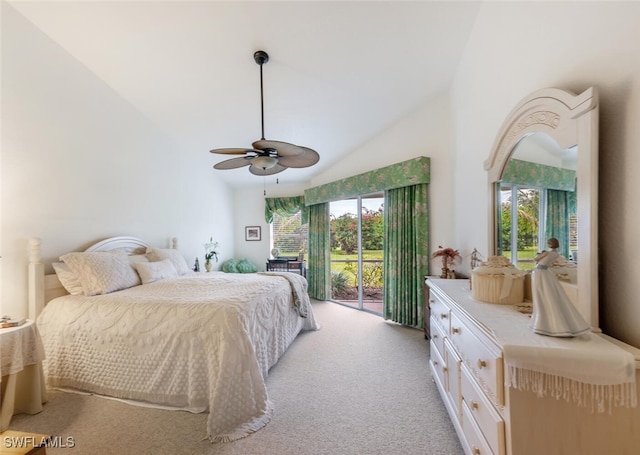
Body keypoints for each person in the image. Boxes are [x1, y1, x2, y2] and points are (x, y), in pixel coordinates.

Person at [530, 238, 591, 337]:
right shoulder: (556, 254)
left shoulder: (547, 253)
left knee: (541, 294)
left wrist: (540, 254)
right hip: (545, 272)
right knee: (549, 294)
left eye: (548, 243)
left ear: (550, 244)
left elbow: (536, 260)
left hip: (540, 272)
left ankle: (544, 322)